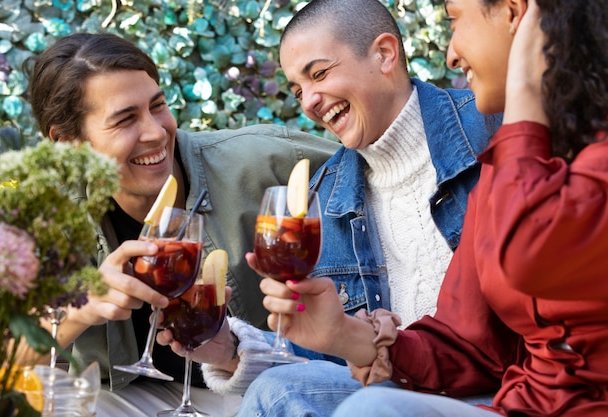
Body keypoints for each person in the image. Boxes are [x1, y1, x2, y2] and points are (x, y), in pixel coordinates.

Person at [259, 0, 608, 416]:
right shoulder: (502, 162)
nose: (451, 53)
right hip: (523, 404)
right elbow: (469, 341)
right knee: (279, 390)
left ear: (516, 14)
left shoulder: (504, 141)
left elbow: (529, 250)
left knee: (371, 409)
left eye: (455, 21)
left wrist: (524, 97)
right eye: (298, 89)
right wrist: (344, 335)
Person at [157, 0, 500, 414]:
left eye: (319, 74)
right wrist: (227, 348)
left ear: (385, 54)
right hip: (388, 389)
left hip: (495, 389)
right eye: (298, 90)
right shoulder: (326, 196)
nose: (308, 102)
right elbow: (330, 357)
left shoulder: (493, 132)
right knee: (281, 389)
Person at [23, 32, 338, 417]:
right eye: (125, 120)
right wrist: (82, 308)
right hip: (128, 398)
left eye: (158, 106)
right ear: (69, 143)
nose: (156, 132)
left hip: (253, 390)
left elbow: (376, 171)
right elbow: (3, 357)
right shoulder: (47, 217)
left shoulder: (263, 160)